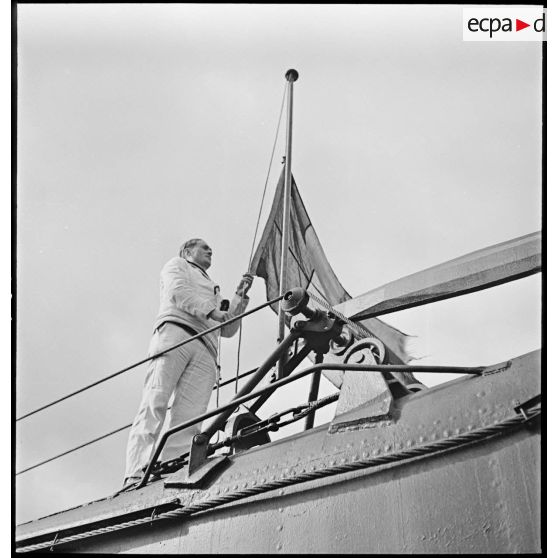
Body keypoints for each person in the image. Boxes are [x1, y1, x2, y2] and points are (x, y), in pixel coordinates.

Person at [123, 238, 253, 488]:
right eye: (204, 247)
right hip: (176, 333)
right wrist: (213, 311)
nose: (209, 251)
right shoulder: (177, 266)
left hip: (206, 349)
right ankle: (136, 469)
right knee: (156, 401)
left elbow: (226, 330)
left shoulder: (215, 292)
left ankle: (174, 467)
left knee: (191, 417)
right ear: (186, 251)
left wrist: (238, 298)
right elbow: (178, 291)